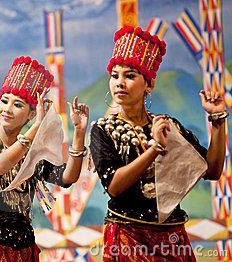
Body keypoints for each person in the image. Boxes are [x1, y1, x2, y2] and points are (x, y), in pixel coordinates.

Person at [89, 26, 227, 261]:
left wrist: (217, 122)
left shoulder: (167, 126)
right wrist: (155, 148)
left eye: (130, 75)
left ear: (149, 85)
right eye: (115, 75)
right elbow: (113, 186)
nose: (120, 82)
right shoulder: (103, 130)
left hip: (171, 236)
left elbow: (212, 171)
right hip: (127, 236)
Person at [0, 56, 89, 261]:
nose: (7, 108)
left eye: (17, 104)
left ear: (31, 113)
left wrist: (79, 133)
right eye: (4, 100)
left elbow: (67, 178)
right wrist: (35, 129)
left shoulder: (33, 155)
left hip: (21, 248)